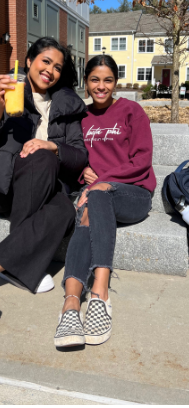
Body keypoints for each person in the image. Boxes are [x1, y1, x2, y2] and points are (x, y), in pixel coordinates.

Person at [0, 37, 88, 321]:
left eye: (58, 67)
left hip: (42, 188)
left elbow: (79, 156)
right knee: (41, 158)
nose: (50, 70)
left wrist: (53, 146)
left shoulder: (68, 107)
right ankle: (14, 267)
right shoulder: (5, 92)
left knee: (63, 208)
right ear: (29, 61)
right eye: (46, 61)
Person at [55, 54, 153, 349]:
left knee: (96, 195)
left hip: (132, 193)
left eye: (108, 80)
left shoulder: (131, 111)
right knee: (89, 209)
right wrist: (82, 172)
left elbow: (142, 161)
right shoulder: (81, 117)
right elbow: (74, 157)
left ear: (115, 83)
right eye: (95, 80)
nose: (101, 86)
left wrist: (102, 181)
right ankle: (71, 304)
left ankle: (100, 292)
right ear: (86, 82)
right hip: (95, 195)